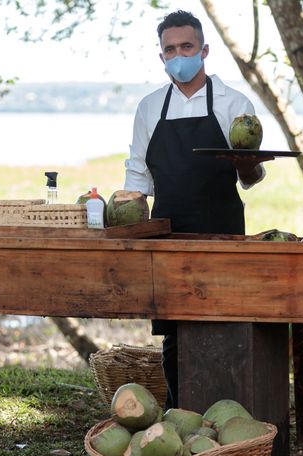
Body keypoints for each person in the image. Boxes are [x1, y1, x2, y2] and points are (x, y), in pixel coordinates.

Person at [124, 10, 268, 410]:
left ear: (204, 50)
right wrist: (125, 223)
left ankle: (228, 412)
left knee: (224, 324)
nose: (179, 55)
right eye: (170, 49)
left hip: (220, 228)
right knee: (174, 334)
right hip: (166, 230)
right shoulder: (150, 107)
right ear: (161, 57)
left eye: (186, 47)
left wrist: (246, 163)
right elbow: (137, 173)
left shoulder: (234, 103)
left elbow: (252, 177)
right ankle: (178, 413)